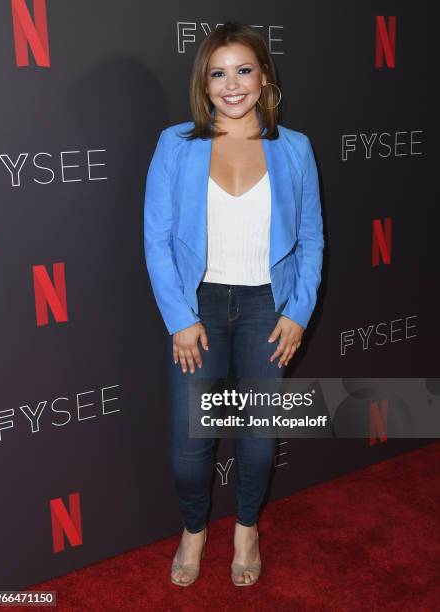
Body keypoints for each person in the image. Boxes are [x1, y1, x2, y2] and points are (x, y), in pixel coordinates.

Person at [143, 21, 324, 587]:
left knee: (259, 438)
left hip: (268, 309)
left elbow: (313, 237)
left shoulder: (295, 148)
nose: (231, 84)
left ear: (264, 77)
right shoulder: (177, 145)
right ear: (204, 84)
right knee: (190, 446)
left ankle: (247, 527)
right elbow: (156, 237)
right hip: (197, 311)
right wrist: (179, 319)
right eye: (218, 73)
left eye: (243, 69)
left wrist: (298, 310)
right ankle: (193, 530)